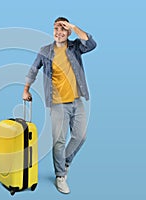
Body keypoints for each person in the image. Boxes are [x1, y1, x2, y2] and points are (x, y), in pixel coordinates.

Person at [22, 17, 96, 194]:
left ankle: (65, 162)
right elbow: (33, 70)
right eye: (56, 28)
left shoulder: (76, 47)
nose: (59, 32)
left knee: (80, 136)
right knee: (59, 141)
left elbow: (91, 43)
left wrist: (73, 26)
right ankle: (60, 176)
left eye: (63, 29)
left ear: (68, 32)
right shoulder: (45, 51)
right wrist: (26, 90)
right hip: (57, 103)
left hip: (77, 100)